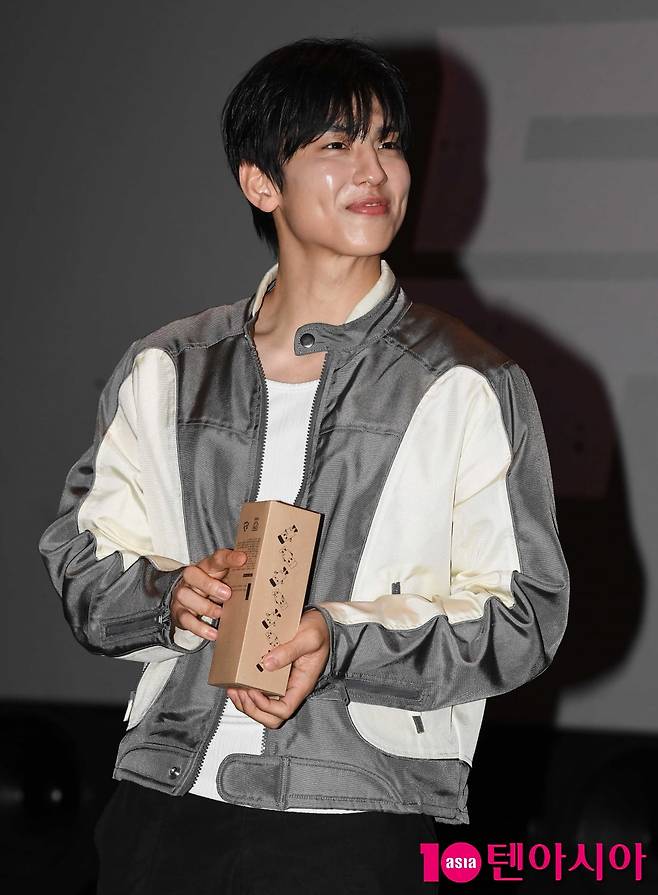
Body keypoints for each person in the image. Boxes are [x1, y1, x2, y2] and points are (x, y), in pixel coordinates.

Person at [38, 36, 570, 895]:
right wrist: (171, 597)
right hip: (163, 798)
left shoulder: (465, 381)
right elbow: (81, 560)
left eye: (388, 141)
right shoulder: (168, 368)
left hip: (353, 814)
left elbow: (524, 614)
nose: (374, 169)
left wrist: (341, 638)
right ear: (261, 181)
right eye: (337, 143)